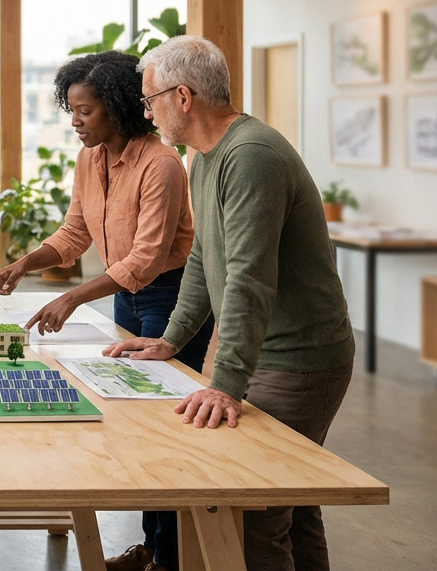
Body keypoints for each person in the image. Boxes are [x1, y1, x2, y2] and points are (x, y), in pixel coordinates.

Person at [105, 35, 355, 571]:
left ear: (183, 96)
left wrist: (225, 382)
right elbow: (204, 259)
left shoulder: (251, 156)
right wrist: (172, 339)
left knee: (254, 508)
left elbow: (248, 278)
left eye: (150, 101)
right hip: (271, 352)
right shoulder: (205, 157)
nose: (147, 113)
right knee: (292, 499)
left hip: (299, 360)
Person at [0, 51, 213, 571]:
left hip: (172, 298)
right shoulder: (90, 160)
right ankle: (153, 548)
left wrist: (70, 296)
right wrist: (23, 264)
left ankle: (170, 557)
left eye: (85, 111)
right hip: (127, 295)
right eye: (72, 110)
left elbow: (147, 257)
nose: (76, 121)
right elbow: (74, 233)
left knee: (165, 428)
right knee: (138, 422)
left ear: (118, 107)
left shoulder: (162, 163)